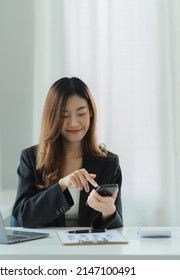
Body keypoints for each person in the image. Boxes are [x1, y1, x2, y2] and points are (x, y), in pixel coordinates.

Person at [12, 77, 123, 229]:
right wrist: (63, 184)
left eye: (81, 113)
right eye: (64, 116)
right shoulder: (31, 158)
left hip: (91, 251)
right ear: (52, 117)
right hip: (47, 250)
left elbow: (117, 230)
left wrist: (109, 212)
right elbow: (22, 217)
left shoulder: (109, 163)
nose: (73, 123)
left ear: (90, 112)